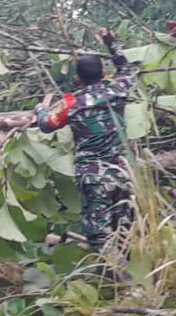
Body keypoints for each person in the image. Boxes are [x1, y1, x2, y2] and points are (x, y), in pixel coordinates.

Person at [35, 28, 139, 251]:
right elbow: (126, 70)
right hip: (121, 172)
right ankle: (133, 269)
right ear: (104, 74)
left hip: (93, 177)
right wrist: (111, 43)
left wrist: (41, 108)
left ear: (77, 79)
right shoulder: (118, 91)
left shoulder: (71, 105)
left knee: (100, 237)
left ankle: (115, 271)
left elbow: (46, 125)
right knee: (126, 231)